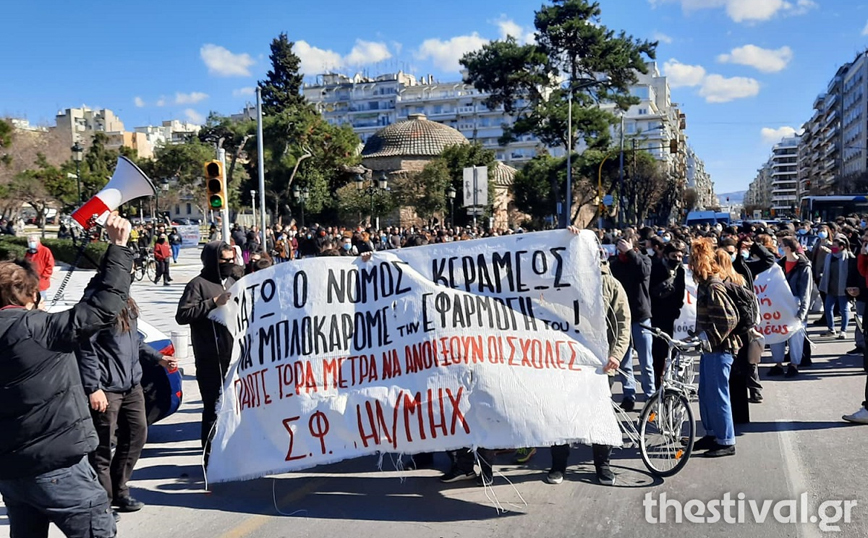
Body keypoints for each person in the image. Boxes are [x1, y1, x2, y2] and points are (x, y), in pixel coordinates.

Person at [0, 213, 131, 538]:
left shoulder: (33, 328)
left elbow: (88, 307)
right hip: (57, 468)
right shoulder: (37, 328)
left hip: (12, 472)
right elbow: (102, 310)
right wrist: (118, 247)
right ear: (30, 295)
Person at [75, 293, 177, 517]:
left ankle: (119, 491)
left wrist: (159, 357)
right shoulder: (95, 304)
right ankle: (103, 503)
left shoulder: (125, 303)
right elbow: (86, 350)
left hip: (132, 386)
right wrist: (93, 388)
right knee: (101, 449)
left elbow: (135, 342)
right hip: (106, 390)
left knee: (136, 436)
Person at [547, 230, 630, 486]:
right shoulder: (558, 282)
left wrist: (616, 356)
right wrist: (568, 236)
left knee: (599, 414)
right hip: (566, 361)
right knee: (561, 414)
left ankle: (602, 466)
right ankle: (558, 466)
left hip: (600, 364)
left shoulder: (611, 285)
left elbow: (623, 322)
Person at [175, 242, 237, 460]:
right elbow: (183, 315)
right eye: (224, 261)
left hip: (233, 355)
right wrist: (212, 303)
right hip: (210, 357)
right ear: (212, 260)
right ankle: (210, 457)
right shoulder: (197, 285)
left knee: (232, 408)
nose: (229, 265)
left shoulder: (231, 281)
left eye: (232, 260)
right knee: (213, 408)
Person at [691, 238, 740, 458]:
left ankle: (726, 440)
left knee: (719, 394)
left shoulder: (713, 285)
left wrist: (708, 338)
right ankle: (712, 433)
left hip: (720, 349)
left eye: (692, 264)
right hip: (712, 348)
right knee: (706, 393)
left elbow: (729, 320)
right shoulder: (707, 284)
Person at [609, 231, 654, 411]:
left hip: (641, 316)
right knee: (624, 360)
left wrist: (630, 253)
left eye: (626, 246)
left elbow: (643, 272)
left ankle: (650, 395)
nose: (622, 251)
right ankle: (629, 394)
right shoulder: (615, 265)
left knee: (645, 361)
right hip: (622, 319)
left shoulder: (643, 260)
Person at [768, 237, 813, 378]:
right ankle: (778, 364)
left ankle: (794, 364)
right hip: (780, 306)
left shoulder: (804, 266)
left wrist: (802, 313)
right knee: (777, 335)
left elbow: (806, 291)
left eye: (781, 245)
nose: (779, 247)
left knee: (796, 337)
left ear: (788, 248)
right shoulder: (779, 265)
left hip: (796, 306)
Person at [648, 241, 686, 386]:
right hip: (657, 315)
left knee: (673, 349)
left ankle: (670, 378)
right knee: (658, 350)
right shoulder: (655, 268)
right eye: (674, 256)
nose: (677, 259)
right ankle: (658, 379)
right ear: (665, 255)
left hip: (673, 316)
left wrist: (677, 309)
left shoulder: (680, 271)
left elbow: (681, 292)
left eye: (680, 256)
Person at [819, 234, 855, 339]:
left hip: (843, 288)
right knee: (828, 308)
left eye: (835, 245)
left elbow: (853, 273)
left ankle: (843, 330)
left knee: (844, 310)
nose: (833, 247)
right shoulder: (829, 256)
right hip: (830, 287)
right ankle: (831, 329)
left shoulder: (848, 256)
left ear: (841, 247)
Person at [24, 234, 55, 300]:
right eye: (30, 241)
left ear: (38, 241)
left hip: (41, 280)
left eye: (33, 241)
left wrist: (44, 276)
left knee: (41, 299)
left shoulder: (45, 250)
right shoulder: (29, 252)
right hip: (31, 280)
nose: (32, 242)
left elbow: (50, 265)